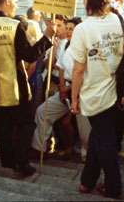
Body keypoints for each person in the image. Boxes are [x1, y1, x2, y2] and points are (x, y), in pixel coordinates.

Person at [0, 0, 55, 177]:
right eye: (16, 2)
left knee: (3, 125)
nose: (16, 6)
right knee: (26, 123)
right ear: (7, 2)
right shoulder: (13, 25)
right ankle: (21, 162)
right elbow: (29, 55)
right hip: (15, 84)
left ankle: (7, 161)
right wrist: (47, 37)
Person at [71, 0, 124, 199]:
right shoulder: (122, 21)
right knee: (100, 137)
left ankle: (114, 187)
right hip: (118, 91)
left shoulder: (83, 28)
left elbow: (78, 70)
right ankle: (87, 181)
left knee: (105, 141)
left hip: (95, 93)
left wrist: (74, 98)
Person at [30, 17, 91, 161]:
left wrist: (70, 88)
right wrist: (63, 87)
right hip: (66, 90)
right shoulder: (66, 46)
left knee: (84, 130)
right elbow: (62, 67)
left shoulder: (86, 48)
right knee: (43, 112)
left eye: (72, 29)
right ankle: (39, 149)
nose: (68, 31)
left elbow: (84, 74)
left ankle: (88, 157)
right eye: (68, 28)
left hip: (81, 91)